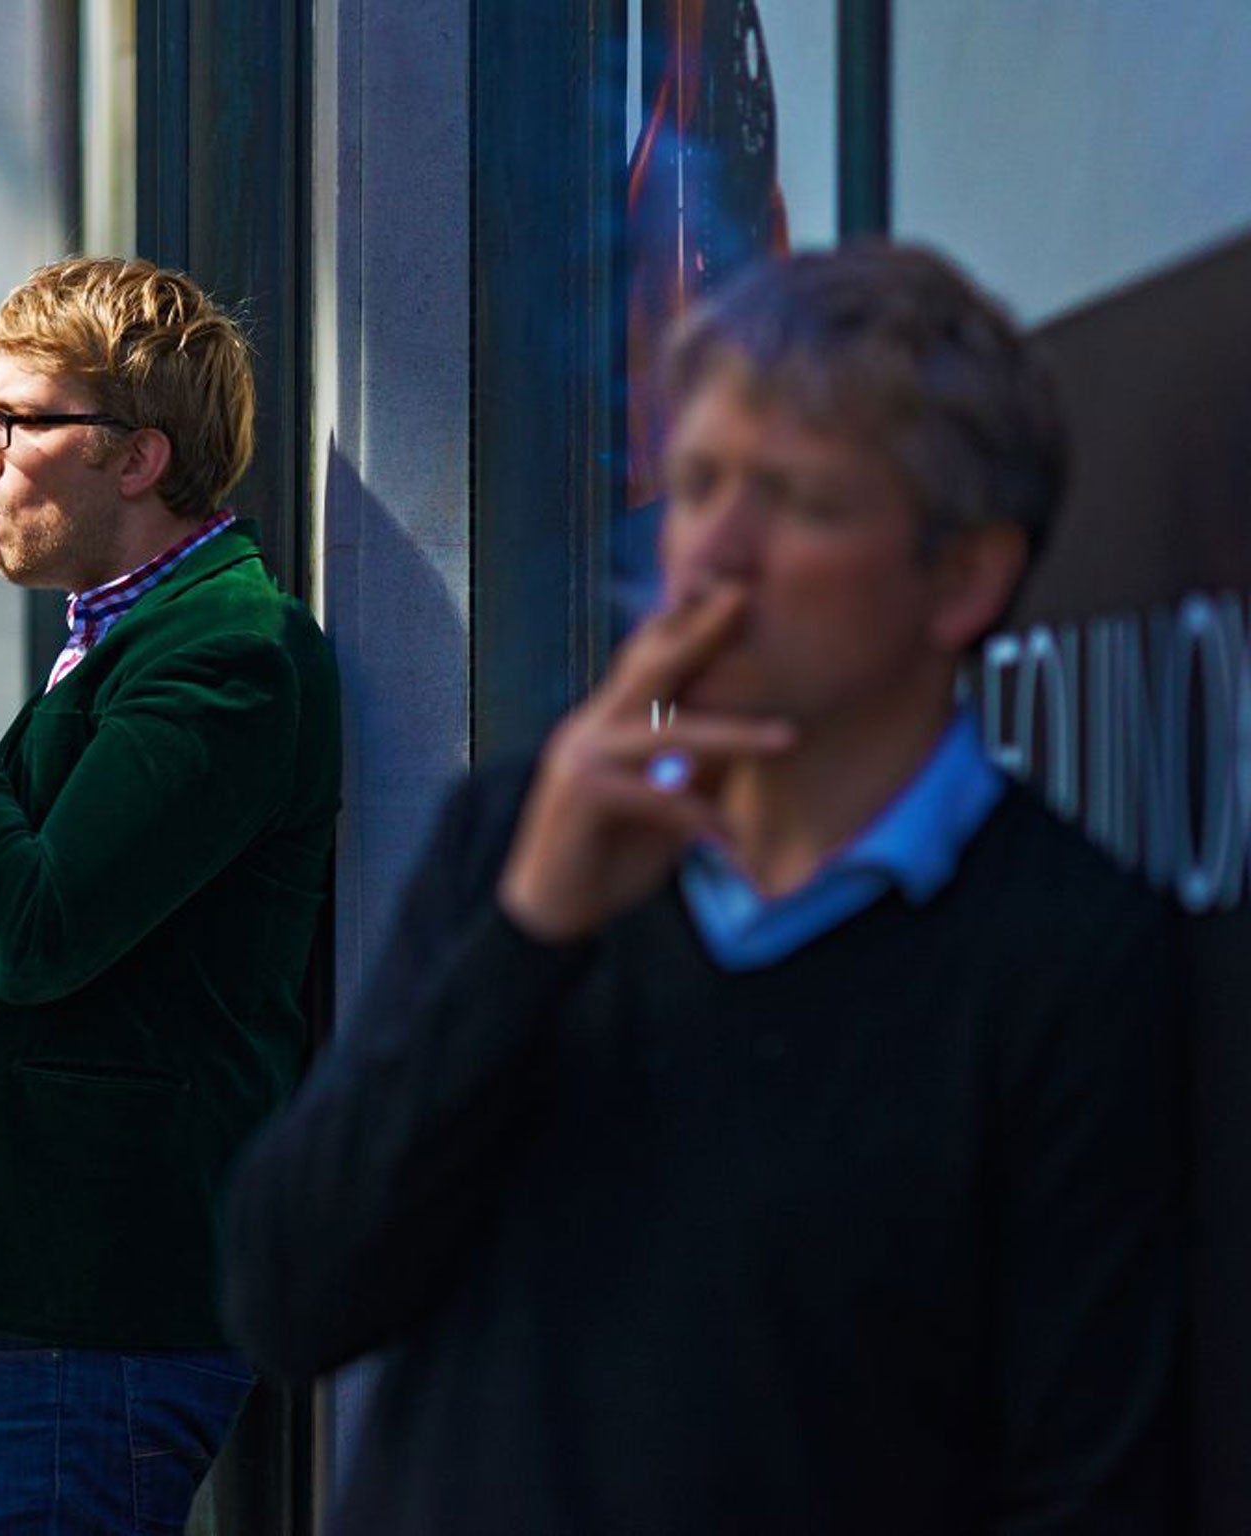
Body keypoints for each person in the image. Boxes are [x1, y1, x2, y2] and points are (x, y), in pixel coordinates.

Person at [223, 244, 1184, 1533]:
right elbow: (289, 1295)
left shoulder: (1067, 951)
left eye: (795, 500)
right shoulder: (518, 835)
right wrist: (528, 931)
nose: (713, 555)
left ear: (961, 579)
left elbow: (1089, 1480)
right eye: (693, 486)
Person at [0, 255, 343, 1533]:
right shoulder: (123, 641)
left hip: (76, 1325)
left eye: (14, 421)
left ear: (136, 458)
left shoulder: (227, 652)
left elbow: (30, 931)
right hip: (22, 1318)